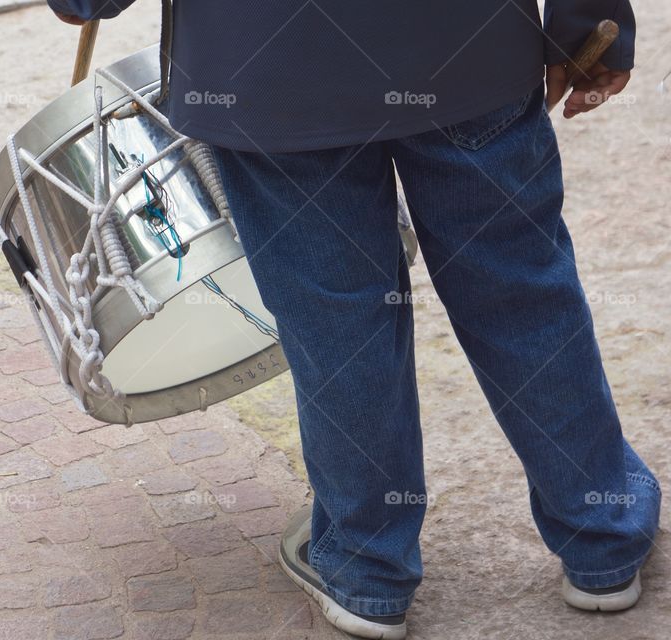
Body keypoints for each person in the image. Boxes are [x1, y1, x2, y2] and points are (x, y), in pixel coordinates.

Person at [48, 2, 661, 638]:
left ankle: (368, 570)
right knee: (521, 293)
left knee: (335, 320)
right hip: (462, 46)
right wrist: (591, 20)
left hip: (268, 73)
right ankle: (602, 538)